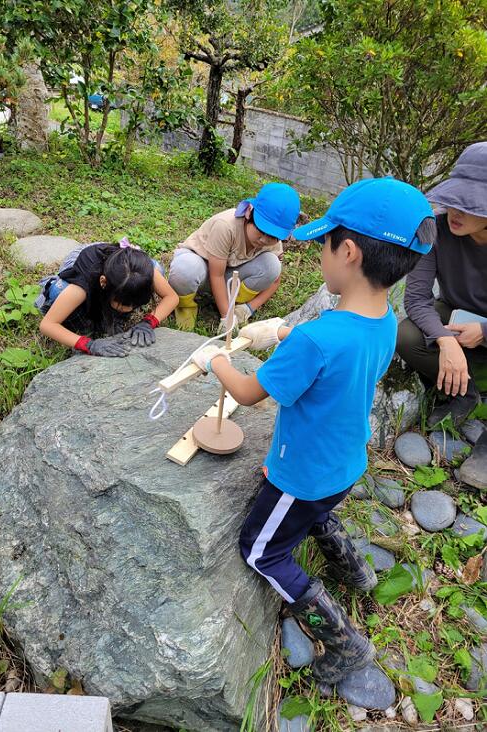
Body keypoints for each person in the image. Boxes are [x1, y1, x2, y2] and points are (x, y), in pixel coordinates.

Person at [190, 178, 435, 684]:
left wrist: (215, 359)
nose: (320, 253)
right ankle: (356, 572)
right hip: (345, 463)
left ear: (347, 252)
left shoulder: (318, 340)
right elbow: (336, 348)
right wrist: (280, 330)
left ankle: (344, 643)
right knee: (318, 512)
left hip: (302, 473)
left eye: (323, 244)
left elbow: (248, 392)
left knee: (261, 550)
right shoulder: (385, 319)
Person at [396, 142, 487, 443]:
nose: (455, 212)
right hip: (455, 314)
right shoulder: (435, 228)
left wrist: (484, 331)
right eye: (453, 200)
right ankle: (466, 392)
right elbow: (416, 298)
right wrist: (445, 340)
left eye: (469, 205)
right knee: (406, 335)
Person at [168, 183, 301, 331]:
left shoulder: (273, 241)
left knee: (272, 265)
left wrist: (249, 308)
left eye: (271, 236)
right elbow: (216, 275)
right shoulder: (226, 226)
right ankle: (185, 306)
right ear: (249, 212)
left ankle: (235, 305)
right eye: (260, 229)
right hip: (203, 270)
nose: (263, 239)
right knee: (185, 268)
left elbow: (275, 280)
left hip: (227, 276)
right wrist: (227, 317)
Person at [35, 239, 179, 356]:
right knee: (58, 293)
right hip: (84, 262)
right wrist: (88, 344)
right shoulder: (83, 283)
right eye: (123, 303)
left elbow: (171, 297)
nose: (129, 309)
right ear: (103, 283)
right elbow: (48, 325)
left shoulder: (140, 272)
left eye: (134, 305)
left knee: (156, 269)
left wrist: (148, 322)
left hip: (116, 260)